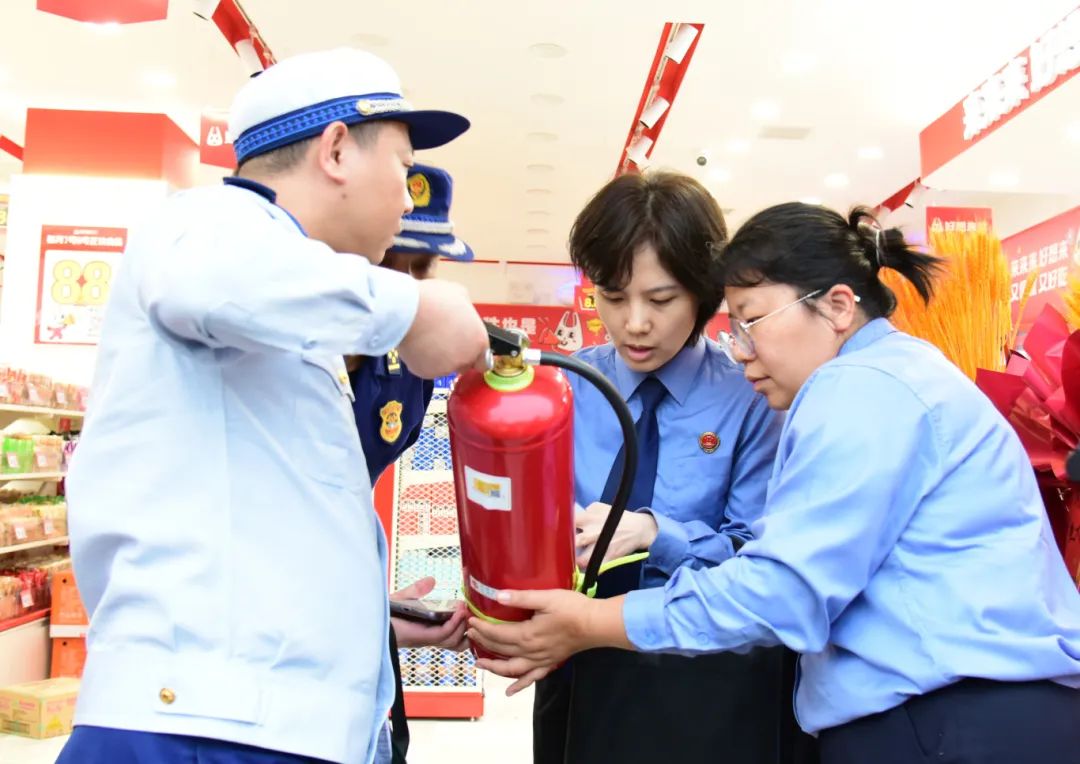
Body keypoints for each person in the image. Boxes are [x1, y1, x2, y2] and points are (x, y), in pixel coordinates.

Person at [469, 202, 1080, 764]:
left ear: (837, 306)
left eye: (752, 322)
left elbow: (782, 588)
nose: (741, 351)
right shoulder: (890, 376)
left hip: (943, 720)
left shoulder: (857, 389)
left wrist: (593, 620)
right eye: (612, 295)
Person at [60, 48, 488, 764]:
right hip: (200, 732)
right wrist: (412, 309)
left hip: (250, 724)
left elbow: (257, 527)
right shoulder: (207, 222)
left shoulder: (293, 308)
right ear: (337, 150)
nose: (407, 198)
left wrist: (363, 617)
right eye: (402, 164)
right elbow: (209, 276)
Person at [531, 171, 797, 764]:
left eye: (660, 300)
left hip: (705, 678)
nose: (634, 323)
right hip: (577, 667)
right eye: (612, 296)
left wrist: (656, 534)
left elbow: (759, 557)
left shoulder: (752, 398)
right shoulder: (563, 389)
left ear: (703, 292)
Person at [349, 163, 476, 764]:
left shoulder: (410, 368)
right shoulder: (282, 354)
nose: (408, 292)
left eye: (422, 270)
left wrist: (376, 616)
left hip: (362, 665)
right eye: (389, 267)